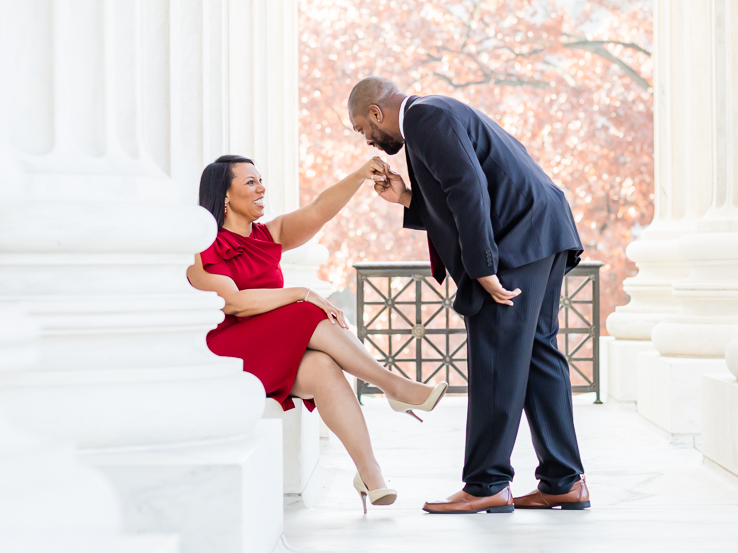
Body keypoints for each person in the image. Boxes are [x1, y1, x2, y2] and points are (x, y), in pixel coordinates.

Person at [347, 77, 590, 514]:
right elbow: (459, 191)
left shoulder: (423, 118)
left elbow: (467, 188)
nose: (367, 140)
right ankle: (564, 481)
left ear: (377, 112)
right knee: (537, 352)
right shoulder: (434, 112)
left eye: (362, 128)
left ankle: (487, 484)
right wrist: (405, 197)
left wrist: (483, 268)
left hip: (519, 238)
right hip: (544, 229)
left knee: (495, 353)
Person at [186, 154, 447, 513]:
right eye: (250, 182)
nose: (262, 188)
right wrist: (300, 291)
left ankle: (370, 473)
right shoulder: (202, 247)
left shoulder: (269, 235)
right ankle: (393, 386)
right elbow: (234, 303)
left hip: (272, 346)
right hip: (230, 351)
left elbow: (320, 208)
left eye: (261, 179)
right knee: (305, 307)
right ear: (225, 196)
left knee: (324, 367)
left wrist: (358, 175)